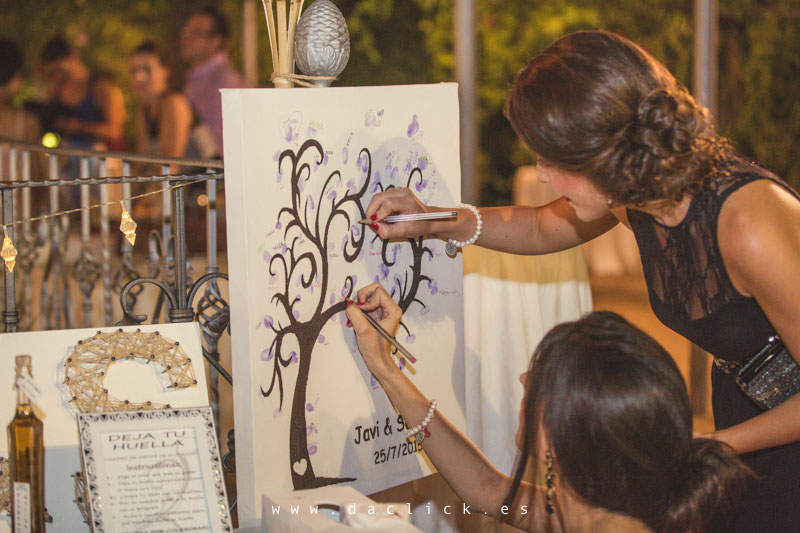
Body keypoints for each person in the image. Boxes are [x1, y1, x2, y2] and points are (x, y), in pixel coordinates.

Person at [364, 30, 800, 532]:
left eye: (551, 160)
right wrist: (432, 219)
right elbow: (539, 227)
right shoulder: (634, 194)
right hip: (743, 409)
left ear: (603, 154)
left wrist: (708, 446)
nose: (541, 175)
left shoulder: (750, 226)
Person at [345, 284, 750, 532]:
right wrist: (385, 367)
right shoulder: (597, 508)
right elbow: (485, 488)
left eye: (540, 376)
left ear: (556, 435)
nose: (524, 379)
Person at [37, 35, 126, 152]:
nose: (56, 76)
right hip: (67, 155)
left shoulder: (101, 86)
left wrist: (80, 126)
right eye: (53, 73)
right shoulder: (59, 86)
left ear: (74, 58)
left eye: (60, 70)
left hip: (98, 155)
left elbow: (115, 132)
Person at [180, 7, 246, 159]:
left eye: (197, 33)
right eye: (186, 30)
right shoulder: (197, 77)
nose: (186, 37)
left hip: (218, 169)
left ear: (216, 41)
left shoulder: (225, 81)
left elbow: (230, 141)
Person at [129, 41, 194, 169]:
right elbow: (141, 161)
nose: (139, 77)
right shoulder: (145, 108)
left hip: (206, 180)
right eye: (134, 70)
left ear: (165, 71)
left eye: (147, 70)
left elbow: (172, 164)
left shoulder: (174, 103)